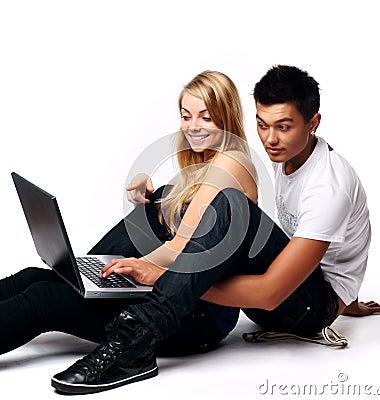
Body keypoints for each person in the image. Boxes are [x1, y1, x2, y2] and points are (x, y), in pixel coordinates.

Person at [51, 65, 380, 394]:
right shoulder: (292, 157)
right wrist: (352, 296)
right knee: (172, 198)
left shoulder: (329, 185)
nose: (270, 139)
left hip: (308, 309)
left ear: (313, 123)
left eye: (283, 127)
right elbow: (338, 248)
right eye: (262, 124)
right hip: (304, 290)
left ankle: (135, 343)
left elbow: (271, 294)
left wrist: (160, 276)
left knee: (232, 205)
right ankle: (83, 280)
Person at [0, 71, 257, 367]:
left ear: (227, 117)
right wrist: (146, 193)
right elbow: (176, 212)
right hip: (175, 293)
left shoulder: (232, 162)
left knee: (47, 300)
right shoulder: (204, 160)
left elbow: (179, 248)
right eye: (186, 117)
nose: (193, 126)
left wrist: (133, 268)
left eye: (206, 117)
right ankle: (86, 280)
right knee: (34, 277)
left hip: (198, 314)